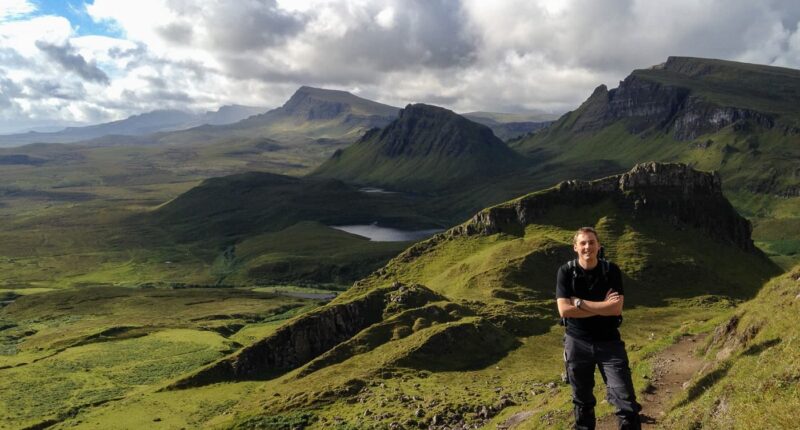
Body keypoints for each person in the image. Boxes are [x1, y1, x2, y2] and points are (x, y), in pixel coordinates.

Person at [556, 227, 641, 430]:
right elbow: (564, 311)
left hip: (609, 343)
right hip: (577, 343)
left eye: (592, 242)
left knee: (625, 399)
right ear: (575, 247)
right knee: (582, 402)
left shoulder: (611, 270)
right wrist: (602, 307)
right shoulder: (566, 272)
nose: (588, 247)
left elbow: (616, 308)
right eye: (583, 243)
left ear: (598, 246)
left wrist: (579, 304)